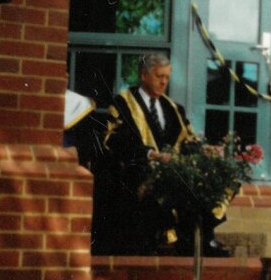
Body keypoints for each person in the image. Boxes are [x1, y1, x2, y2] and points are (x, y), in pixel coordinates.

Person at [93, 52, 229, 257]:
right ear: (143, 75)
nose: (164, 82)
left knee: (204, 180)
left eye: (167, 77)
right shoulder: (123, 104)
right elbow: (112, 140)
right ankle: (165, 240)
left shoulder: (173, 108)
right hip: (136, 173)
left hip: (172, 172)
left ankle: (199, 239)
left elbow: (187, 142)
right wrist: (150, 154)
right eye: (159, 76)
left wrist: (204, 149)